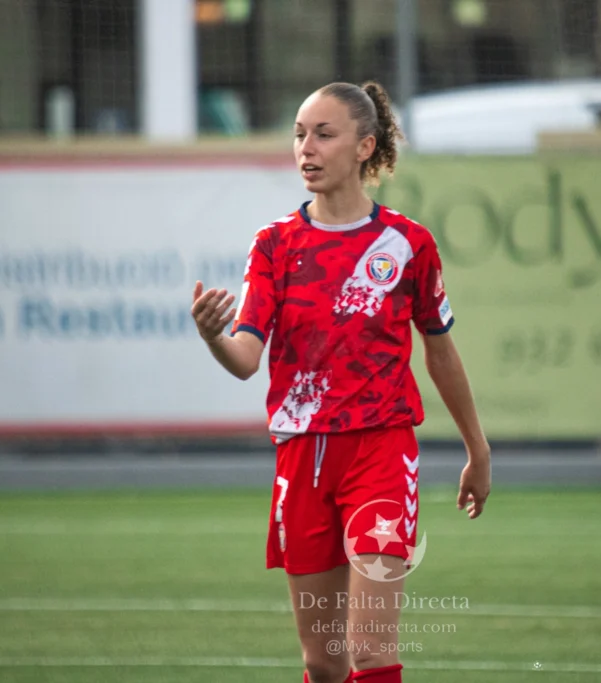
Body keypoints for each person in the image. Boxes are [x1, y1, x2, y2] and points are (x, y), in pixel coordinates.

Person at [191, 80, 491, 683]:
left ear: (364, 146)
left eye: (324, 135)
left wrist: (477, 450)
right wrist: (213, 337)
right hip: (302, 458)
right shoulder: (274, 245)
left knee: (370, 652)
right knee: (322, 662)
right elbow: (246, 357)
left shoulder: (408, 245)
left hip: (380, 451)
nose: (307, 147)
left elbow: (440, 352)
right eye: (300, 134)